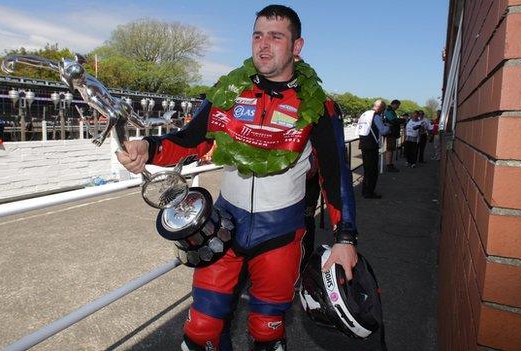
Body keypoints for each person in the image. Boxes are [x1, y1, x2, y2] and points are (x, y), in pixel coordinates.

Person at [116, 5, 359, 350]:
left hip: (281, 232)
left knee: (267, 331)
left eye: (276, 37)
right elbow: (190, 140)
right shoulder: (226, 92)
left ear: (297, 46)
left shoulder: (320, 106)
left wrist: (345, 238)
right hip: (223, 226)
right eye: (257, 35)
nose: (263, 45)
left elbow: (336, 179)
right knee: (201, 331)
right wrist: (147, 148)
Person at [357, 100, 389, 199]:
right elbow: (383, 131)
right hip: (372, 146)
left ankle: (364, 190)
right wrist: (388, 126)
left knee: (367, 169)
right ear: (381, 108)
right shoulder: (376, 116)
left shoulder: (365, 114)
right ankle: (369, 192)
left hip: (363, 144)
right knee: (373, 170)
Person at [382, 99, 403, 172]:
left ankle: (390, 164)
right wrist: (402, 120)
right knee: (390, 149)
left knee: (390, 149)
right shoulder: (388, 110)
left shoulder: (389, 110)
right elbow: (393, 120)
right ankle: (389, 165)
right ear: (395, 104)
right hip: (390, 133)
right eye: (398, 106)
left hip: (391, 132)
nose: (398, 107)